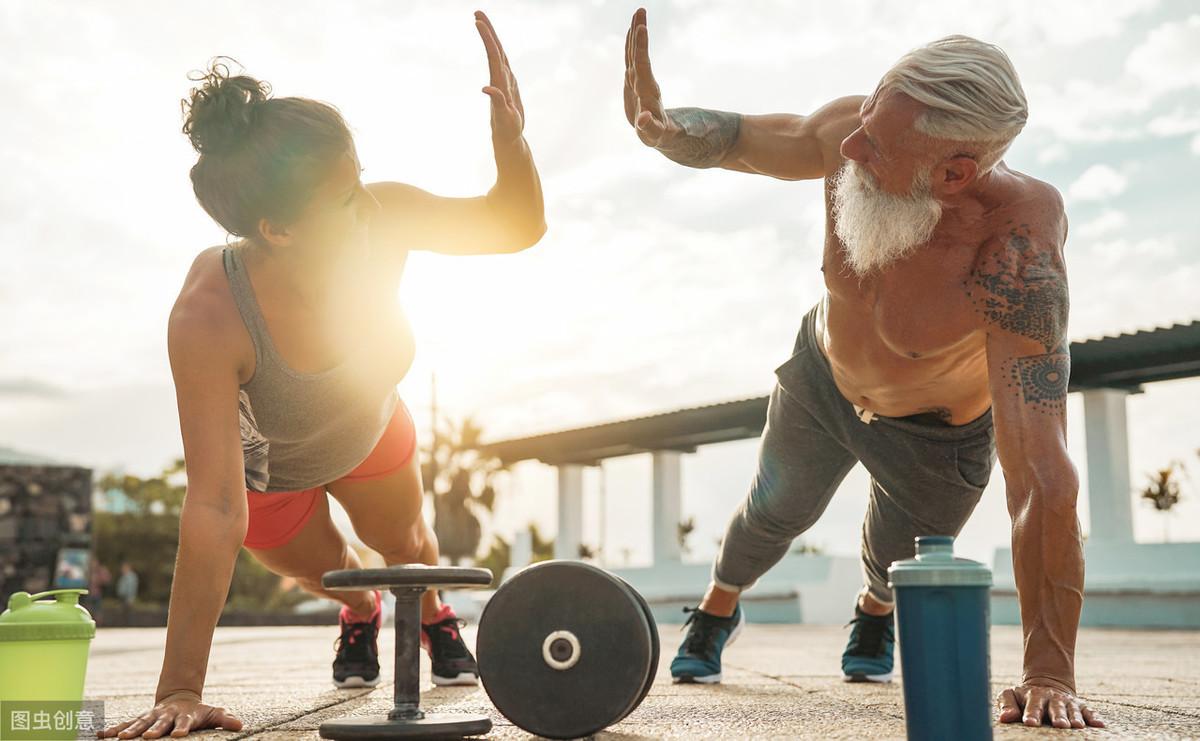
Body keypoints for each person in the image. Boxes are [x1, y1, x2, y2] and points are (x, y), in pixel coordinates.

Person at [623, 8, 1102, 730]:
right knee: (770, 513)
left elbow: (1041, 469)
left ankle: (873, 610)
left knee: (893, 560)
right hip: (825, 379)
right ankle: (717, 607)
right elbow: (752, 137)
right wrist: (665, 128)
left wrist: (1048, 668)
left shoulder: (1015, 241)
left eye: (876, 144)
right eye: (869, 108)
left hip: (938, 431)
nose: (850, 143)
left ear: (954, 172)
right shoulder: (855, 130)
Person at [98, 12, 544, 740]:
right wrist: (180, 688)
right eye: (343, 197)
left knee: (406, 541)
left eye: (359, 178)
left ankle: (431, 611)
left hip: (368, 427)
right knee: (336, 570)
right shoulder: (209, 312)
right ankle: (361, 613)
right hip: (272, 472)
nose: (366, 202)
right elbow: (214, 503)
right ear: (277, 228)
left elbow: (516, 224)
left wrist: (511, 143)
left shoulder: (382, 217)